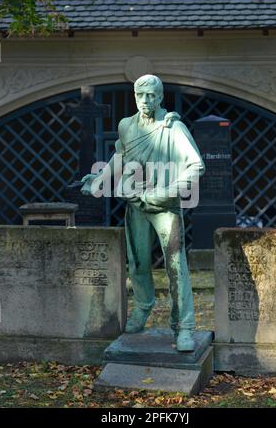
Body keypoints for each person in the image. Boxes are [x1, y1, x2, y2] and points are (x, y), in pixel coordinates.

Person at [81, 75, 205, 351]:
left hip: (165, 207)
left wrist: (166, 192)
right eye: (141, 96)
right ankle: (143, 307)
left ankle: (183, 326)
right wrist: (99, 180)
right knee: (137, 263)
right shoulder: (127, 126)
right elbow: (120, 156)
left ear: (160, 97)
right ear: (135, 97)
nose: (146, 101)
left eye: (151, 95)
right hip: (136, 204)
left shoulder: (173, 127)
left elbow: (196, 166)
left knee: (175, 267)